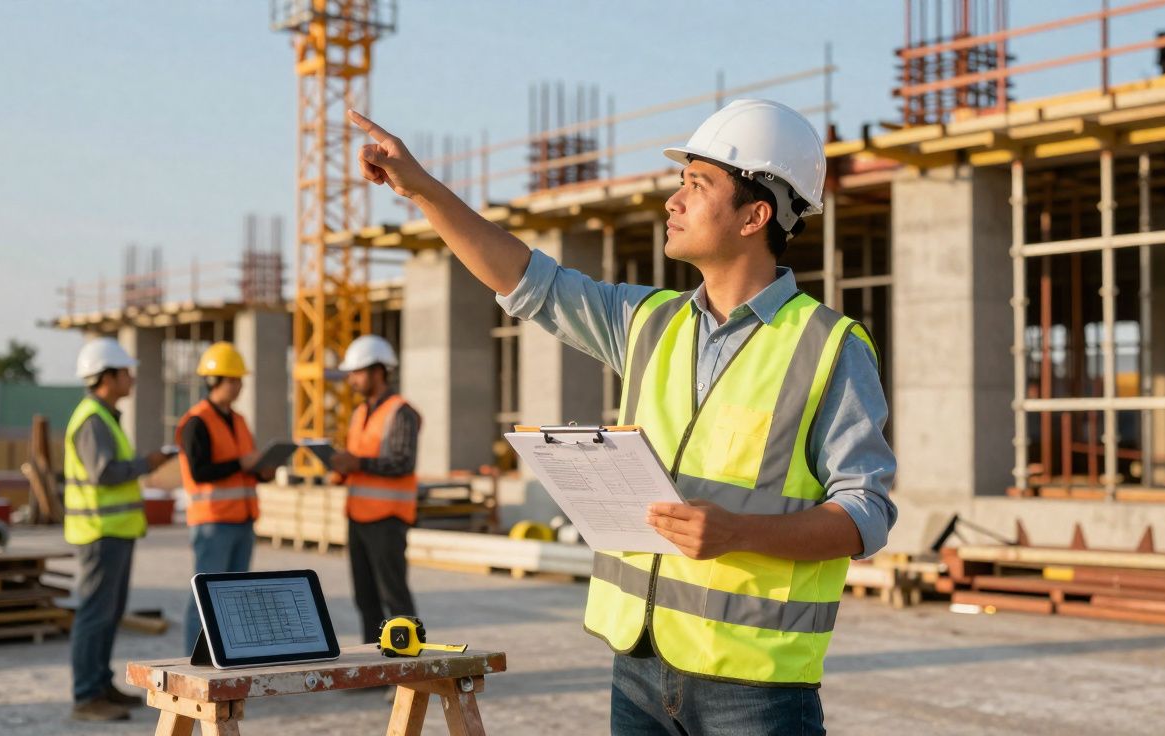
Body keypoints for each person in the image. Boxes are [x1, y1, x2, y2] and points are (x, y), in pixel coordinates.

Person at [349, 99, 897, 735]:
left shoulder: (828, 346)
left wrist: (738, 533)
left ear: (756, 214)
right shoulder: (649, 323)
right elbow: (527, 280)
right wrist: (421, 189)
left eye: (697, 184)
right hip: (637, 668)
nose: (674, 201)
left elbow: (866, 512)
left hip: (756, 689)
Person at [65, 337, 172, 722]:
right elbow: (105, 473)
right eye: (126, 372)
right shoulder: (93, 419)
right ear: (106, 377)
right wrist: (147, 463)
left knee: (108, 614)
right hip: (100, 532)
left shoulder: (105, 417)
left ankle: (100, 683)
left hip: (114, 531)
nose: (132, 378)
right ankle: (86, 696)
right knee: (95, 614)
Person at [176, 341, 271, 652]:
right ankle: (194, 663)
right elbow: (200, 471)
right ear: (214, 381)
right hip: (213, 523)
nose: (239, 386)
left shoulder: (239, 420)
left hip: (242, 520)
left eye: (240, 380)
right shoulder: (196, 422)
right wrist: (239, 465)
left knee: (235, 598)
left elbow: (247, 462)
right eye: (233, 380)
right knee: (205, 599)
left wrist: (262, 469)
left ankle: (228, 658)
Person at [328, 334, 422, 643]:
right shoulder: (359, 413)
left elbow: (401, 462)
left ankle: (407, 671)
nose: (352, 379)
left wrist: (357, 463)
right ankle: (374, 670)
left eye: (357, 372)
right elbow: (360, 459)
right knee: (365, 599)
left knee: (395, 600)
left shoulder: (401, 411)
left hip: (387, 521)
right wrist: (341, 469)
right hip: (358, 518)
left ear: (378, 371)